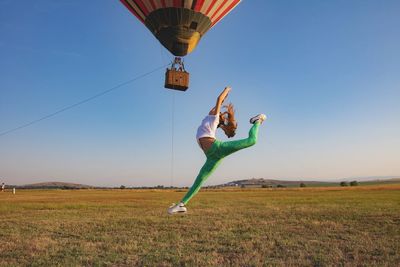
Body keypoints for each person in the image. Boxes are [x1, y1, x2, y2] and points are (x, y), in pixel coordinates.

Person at [168, 87, 267, 214]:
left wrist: (226, 90)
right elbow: (216, 105)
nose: (215, 110)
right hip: (212, 157)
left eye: (217, 111)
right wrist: (223, 101)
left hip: (217, 148)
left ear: (218, 116)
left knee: (252, 141)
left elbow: (219, 100)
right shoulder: (209, 119)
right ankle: (181, 205)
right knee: (200, 179)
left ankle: (257, 121)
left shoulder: (214, 119)